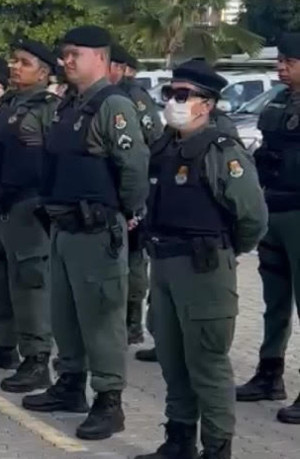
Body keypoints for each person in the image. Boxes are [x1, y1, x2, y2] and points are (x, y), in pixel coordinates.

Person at [136, 59, 267, 459]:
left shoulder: (221, 151)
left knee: (207, 366)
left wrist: (227, 250)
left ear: (206, 104)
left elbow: (252, 218)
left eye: (182, 95)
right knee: (174, 363)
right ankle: (179, 440)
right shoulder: (169, 148)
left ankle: (216, 447)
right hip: (166, 265)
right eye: (169, 94)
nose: (172, 102)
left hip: (204, 269)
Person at [23, 26, 149, 442]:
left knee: (101, 320)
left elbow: (133, 168)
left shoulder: (112, 106)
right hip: (63, 227)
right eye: (65, 54)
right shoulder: (68, 106)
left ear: (100, 57)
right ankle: (70, 383)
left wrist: (125, 212)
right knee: (65, 315)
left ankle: (109, 401)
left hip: (96, 229)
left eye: (75, 54)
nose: (67, 61)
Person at [0, 38, 59, 394]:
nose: (15, 66)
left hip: (26, 207)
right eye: (13, 60)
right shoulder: (6, 105)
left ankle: (36, 358)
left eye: (23, 62)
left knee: (30, 285)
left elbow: (54, 160)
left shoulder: (49, 109)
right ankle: (3, 344)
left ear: (44, 72)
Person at [238, 33, 300, 425]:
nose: (280, 66)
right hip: (274, 208)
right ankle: (269, 372)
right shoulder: (278, 102)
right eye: (280, 60)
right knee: (274, 300)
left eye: (289, 61)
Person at [110, 44, 164, 346]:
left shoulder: (135, 97)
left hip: (133, 187)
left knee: (133, 257)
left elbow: (151, 140)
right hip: (113, 188)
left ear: (123, 68)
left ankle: (132, 321)